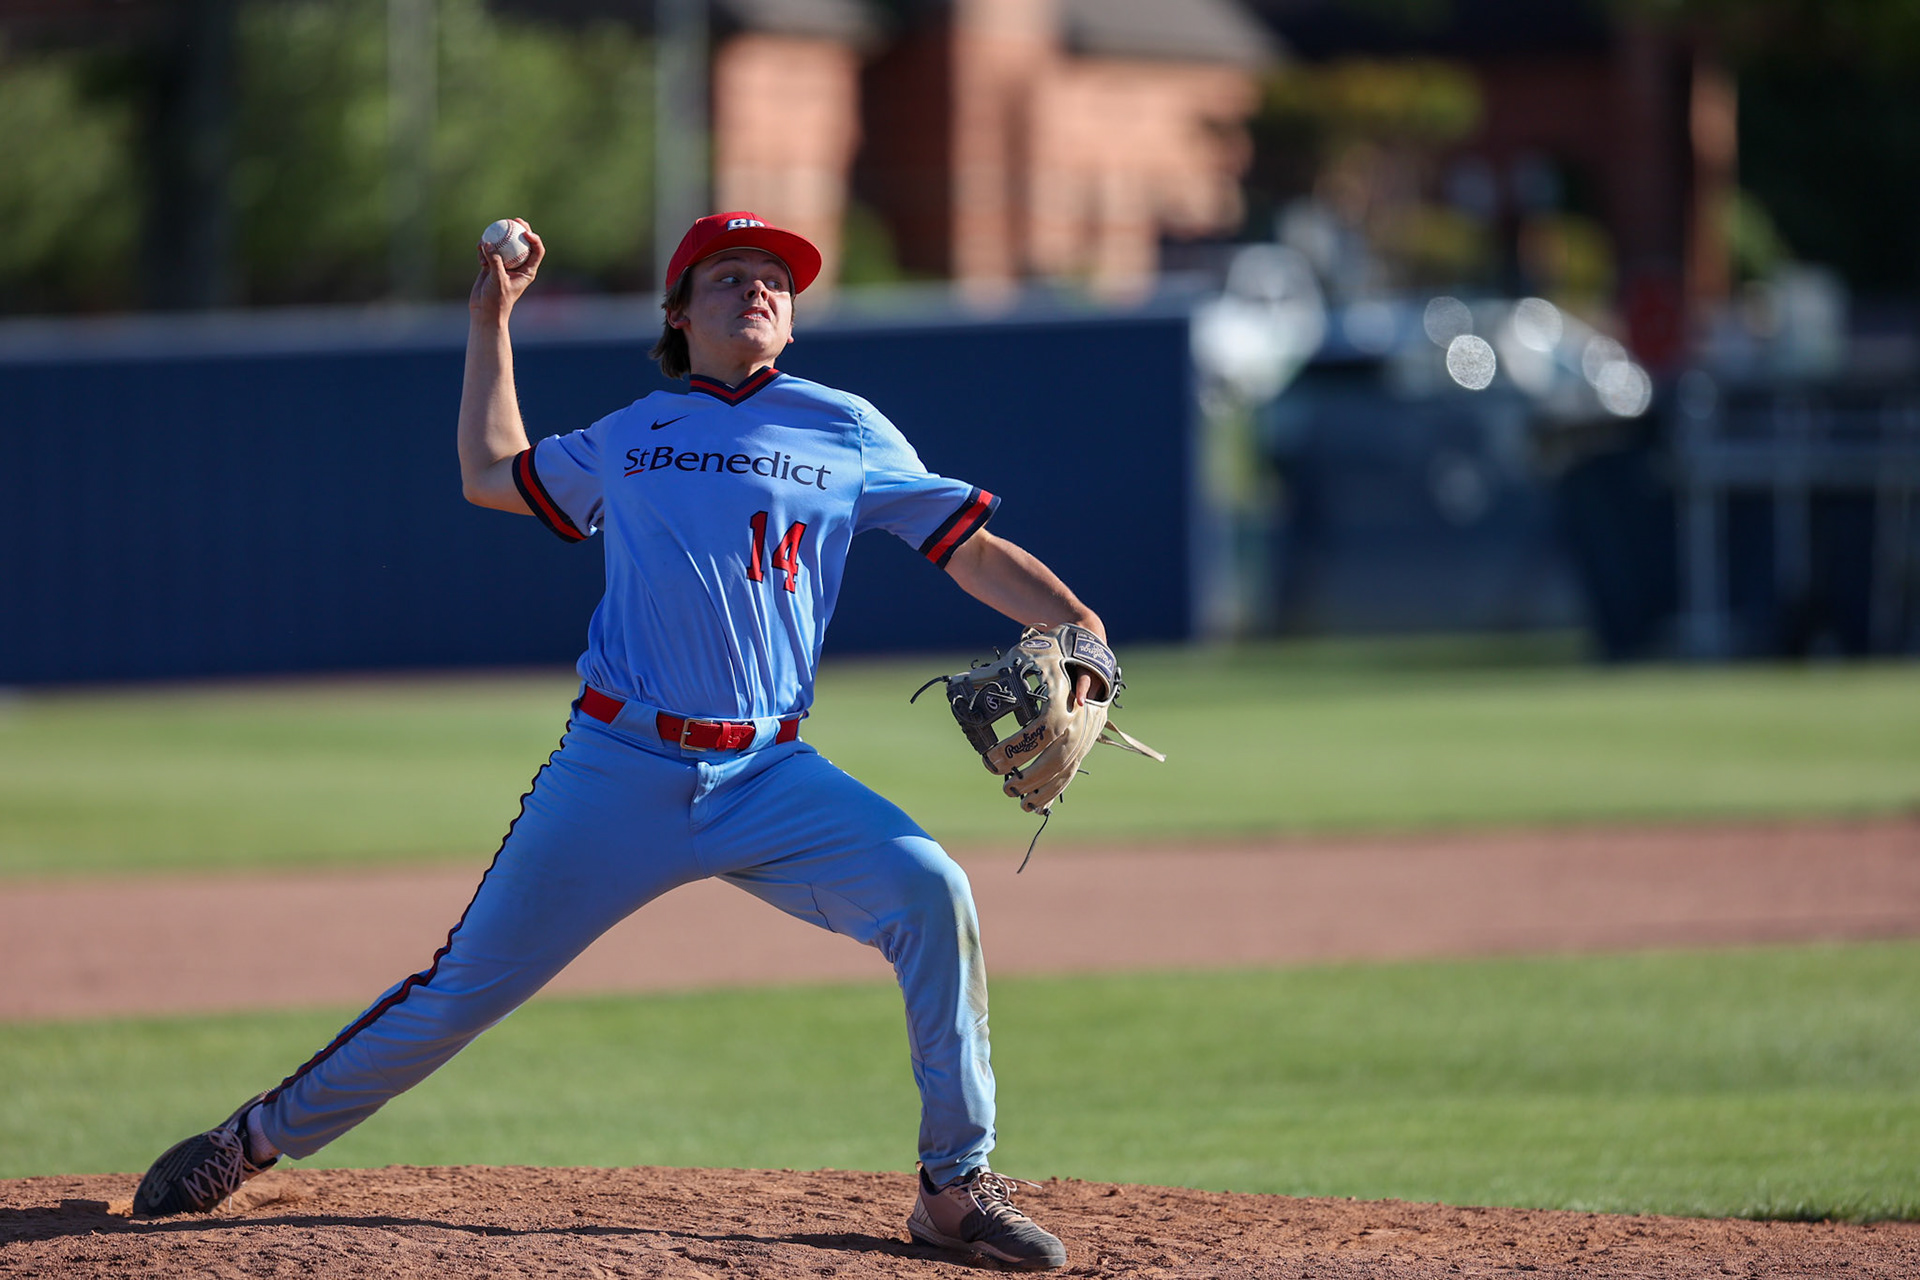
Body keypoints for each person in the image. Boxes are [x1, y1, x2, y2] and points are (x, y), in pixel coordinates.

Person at [131, 211, 1108, 1271]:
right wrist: (489, 320)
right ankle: (252, 1138)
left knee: (933, 890)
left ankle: (954, 1189)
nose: (759, 288)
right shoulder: (629, 432)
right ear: (680, 313)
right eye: (730, 274)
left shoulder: (846, 428)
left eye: (776, 277)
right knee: (462, 987)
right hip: (617, 766)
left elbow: (966, 549)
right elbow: (491, 470)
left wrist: (1083, 629)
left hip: (770, 771)